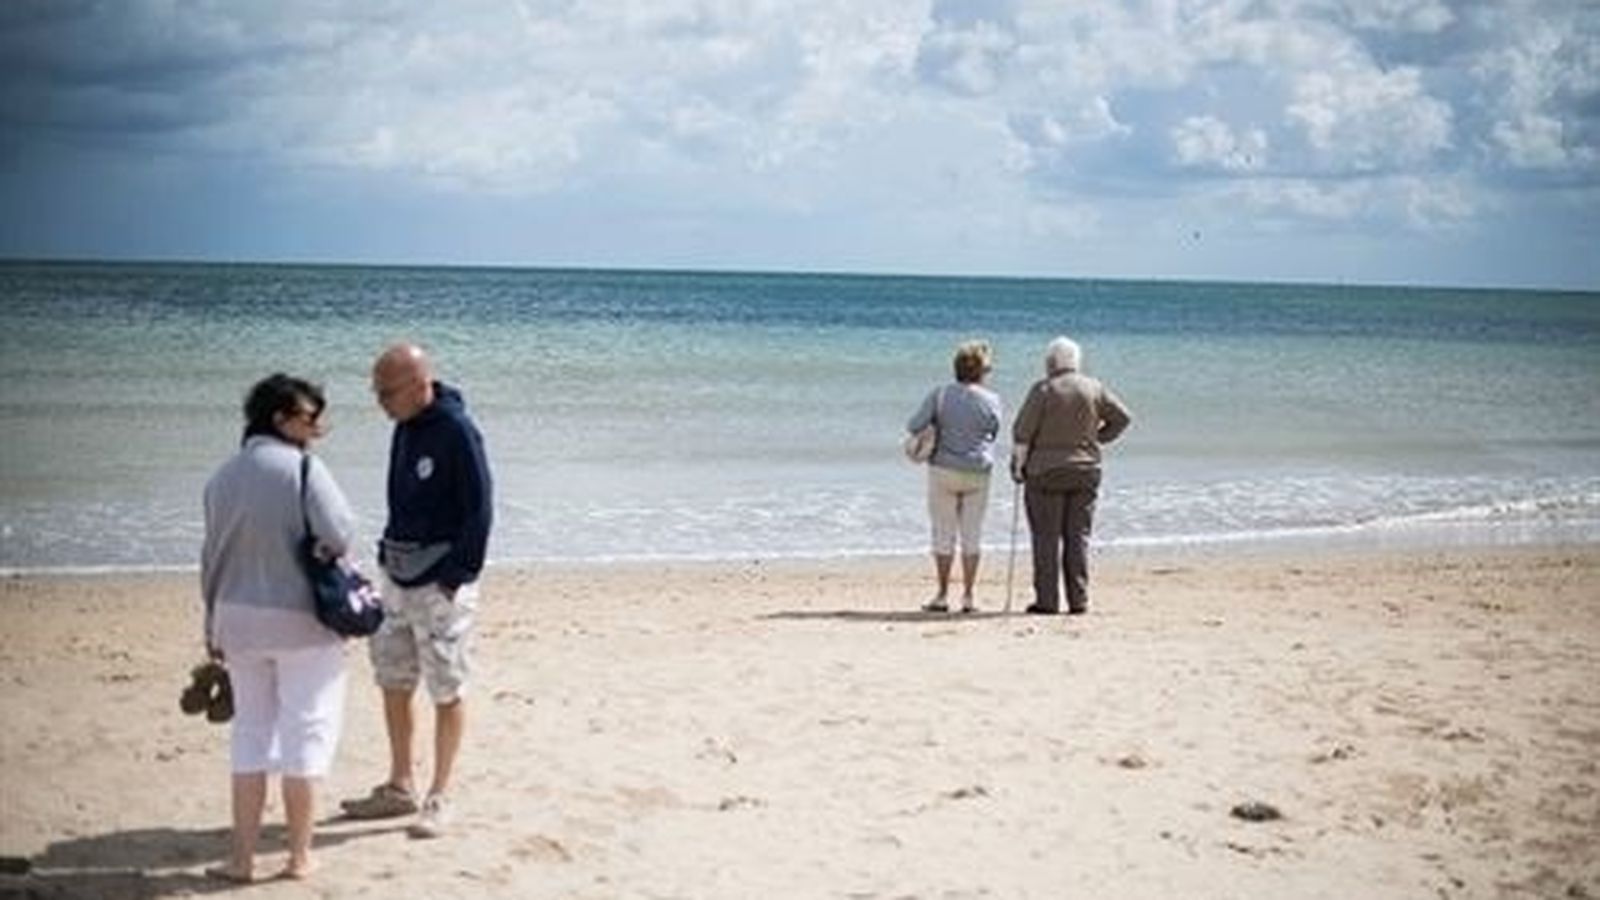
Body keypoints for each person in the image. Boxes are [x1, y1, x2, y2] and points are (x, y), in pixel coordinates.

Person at [200, 373, 356, 882]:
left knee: (249, 735)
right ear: (280, 418)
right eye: (310, 418)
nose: (318, 428)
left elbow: (211, 559)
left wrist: (211, 625)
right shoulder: (306, 470)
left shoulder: (221, 477)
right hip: (301, 621)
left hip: (235, 619)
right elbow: (340, 533)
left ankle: (241, 859)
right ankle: (299, 855)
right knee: (306, 731)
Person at [342, 343, 493, 839]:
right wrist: (387, 556)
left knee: (446, 687)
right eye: (376, 392)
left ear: (418, 383)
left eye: (386, 392)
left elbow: (480, 509)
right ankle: (400, 784)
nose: (380, 402)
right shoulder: (404, 428)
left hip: (441, 584)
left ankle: (440, 795)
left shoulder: (457, 431)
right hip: (397, 574)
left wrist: (455, 577)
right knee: (393, 678)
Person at [1010, 336, 1131, 615]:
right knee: (1078, 537)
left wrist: (1018, 467)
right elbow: (1123, 418)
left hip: (1045, 473)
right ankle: (1079, 600)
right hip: (1085, 470)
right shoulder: (1094, 388)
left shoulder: (1043, 390)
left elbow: (1021, 433)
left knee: (1046, 538)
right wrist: (1098, 438)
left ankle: (1047, 601)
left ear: (1051, 363)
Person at [906, 340, 1003, 613]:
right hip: (978, 472)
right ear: (982, 371)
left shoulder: (940, 395)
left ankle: (941, 594)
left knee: (943, 534)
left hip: (943, 470)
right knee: (972, 535)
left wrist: (939, 423)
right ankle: (969, 596)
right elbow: (993, 433)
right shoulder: (993, 400)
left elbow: (913, 425)